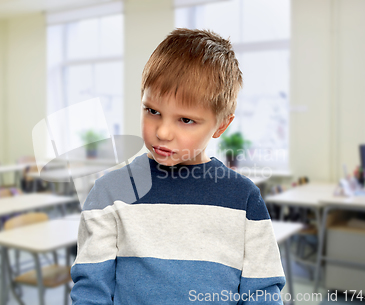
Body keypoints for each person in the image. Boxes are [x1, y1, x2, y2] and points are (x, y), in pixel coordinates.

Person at [70, 28, 286, 304]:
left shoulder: (243, 199)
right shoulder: (109, 193)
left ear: (221, 125)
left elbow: (262, 294)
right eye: (153, 111)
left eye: (185, 120)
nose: (162, 132)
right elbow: (91, 291)